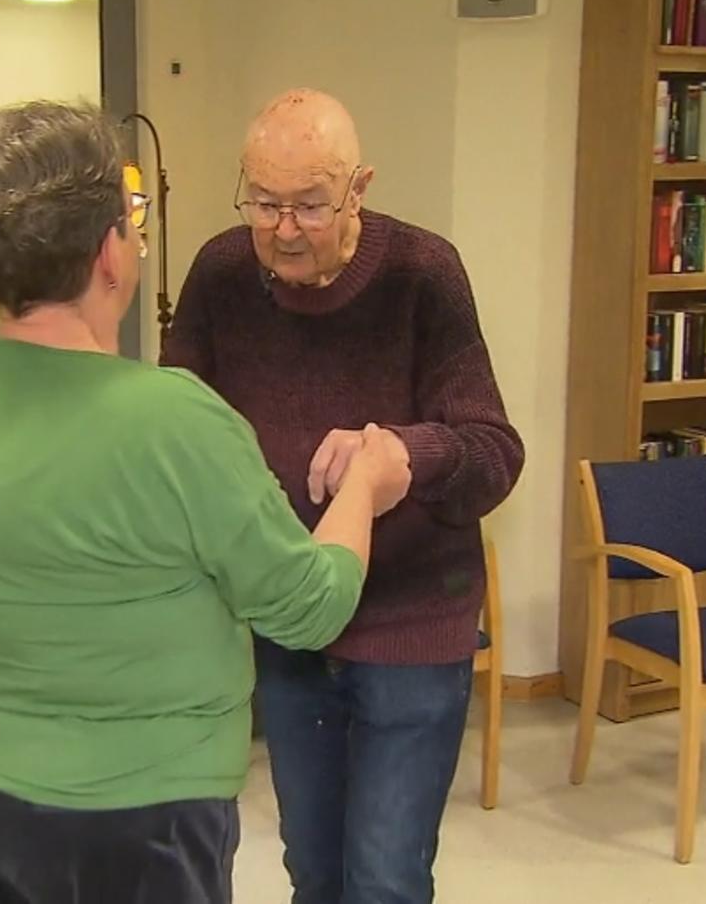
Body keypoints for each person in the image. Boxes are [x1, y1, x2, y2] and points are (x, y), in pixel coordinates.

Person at [0, 100, 413, 904]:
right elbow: (308, 607)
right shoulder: (177, 420)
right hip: (133, 824)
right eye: (132, 217)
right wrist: (367, 482)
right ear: (110, 252)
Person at [162, 89, 525, 904]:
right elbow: (175, 427)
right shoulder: (223, 271)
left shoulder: (423, 274)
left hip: (409, 623)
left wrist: (405, 452)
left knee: (387, 880)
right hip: (288, 622)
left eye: (309, 206)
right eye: (263, 202)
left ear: (359, 187)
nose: (282, 229)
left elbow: (495, 451)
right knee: (315, 872)